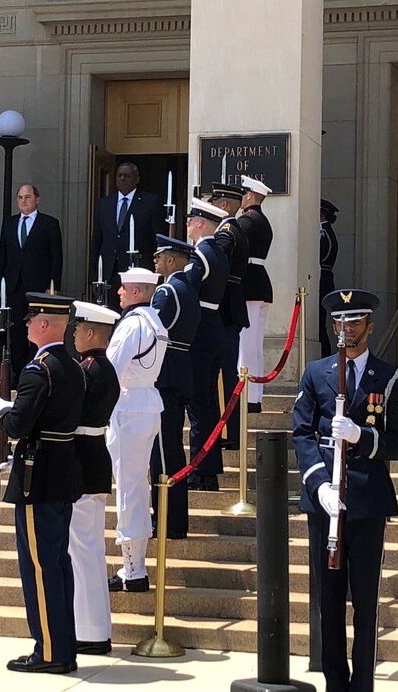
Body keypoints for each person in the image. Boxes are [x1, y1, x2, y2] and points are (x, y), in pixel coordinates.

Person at [293, 288, 398, 692]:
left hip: (367, 501)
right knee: (328, 602)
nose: (346, 330)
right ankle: (334, 683)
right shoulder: (316, 373)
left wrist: (363, 436)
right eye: (340, 322)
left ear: (370, 326)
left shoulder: (391, 377)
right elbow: (302, 434)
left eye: (355, 322)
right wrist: (317, 483)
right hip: (326, 500)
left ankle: (363, 684)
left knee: (364, 602)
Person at [0, 293, 84, 675]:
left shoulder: (38, 370)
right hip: (62, 470)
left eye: (32, 319)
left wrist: (3, 412)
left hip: (38, 475)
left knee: (40, 566)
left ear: (46, 324)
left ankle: (50, 650)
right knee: (58, 563)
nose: (27, 324)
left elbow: (19, 425)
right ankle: (62, 643)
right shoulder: (73, 366)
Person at [106, 267, 167, 593]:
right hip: (146, 404)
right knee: (137, 488)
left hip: (128, 406)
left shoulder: (132, 324)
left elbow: (111, 368)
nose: (119, 293)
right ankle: (135, 565)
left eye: (124, 288)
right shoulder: (156, 321)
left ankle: (133, 569)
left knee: (129, 490)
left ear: (137, 292)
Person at [69, 300, 121, 656]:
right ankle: (93, 627)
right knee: (90, 550)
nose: (73, 334)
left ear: (90, 333)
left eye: (77, 329)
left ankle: (89, 632)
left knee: (82, 551)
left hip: (82, 463)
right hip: (95, 459)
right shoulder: (106, 369)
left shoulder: (87, 371)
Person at [150, 234, 200, 539]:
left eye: (158, 258)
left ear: (171, 260)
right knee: (170, 450)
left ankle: (169, 521)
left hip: (164, 374)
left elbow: (153, 332)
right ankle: (173, 520)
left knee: (164, 454)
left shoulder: (167, 291)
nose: (155, 262)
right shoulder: (187, 289)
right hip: (178, 372)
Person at [184, 197, 230, 492]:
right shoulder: (219, 253)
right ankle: (208, 467)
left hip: (199, 334)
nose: (187, 225)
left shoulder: (199, 256)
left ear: (200, 223)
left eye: (190, 221)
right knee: (208, 404)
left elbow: (188, 292)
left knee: (199, 404)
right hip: (215, 330)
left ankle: (202, 469)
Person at [0, 185, 64, 375]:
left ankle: (35, 371)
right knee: (17, 331)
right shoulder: (9, 224)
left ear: (37, 199)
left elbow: (56, 257)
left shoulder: (49, 224)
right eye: (20, 197)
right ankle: (18, 374)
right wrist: (1, 284)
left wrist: (53, 286)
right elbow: (4, 255)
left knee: (38, 330)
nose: (23, 201)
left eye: (27, 197)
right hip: (14, 286)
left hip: (39, 287)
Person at [209, 183, 249, 450]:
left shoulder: (225, 233)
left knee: (224, 374)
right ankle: (228, 431)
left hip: (224, 307)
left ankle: (226, 432)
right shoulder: (235, 230)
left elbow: (215, 268)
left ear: (223, 205)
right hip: (230, 305)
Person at [90, 162, 163, 311]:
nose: (122, 179)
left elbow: (156, 240)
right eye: (119, 176)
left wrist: (157, 274)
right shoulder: (104, 204)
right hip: (108, 273)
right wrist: (94, 277)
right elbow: (97, 242)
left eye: (127, 176)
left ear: (137, 179)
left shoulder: (150, 202)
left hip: (137, 270)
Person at [237, 176, 274, 413]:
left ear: (249, 195)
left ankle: (247, 397)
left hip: (248, 284)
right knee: (255, 345)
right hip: (261, 283)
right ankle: (255, 397)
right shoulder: (263, 220)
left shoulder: (245, 221)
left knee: (245, 345)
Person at [318, 199, 340, 357]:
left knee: (319, 326)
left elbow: (319, 258)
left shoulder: (323, 233)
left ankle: (323, 356)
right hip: (324, 279)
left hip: (321, 280)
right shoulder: (325, 232)